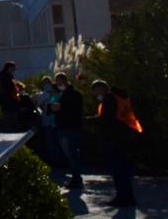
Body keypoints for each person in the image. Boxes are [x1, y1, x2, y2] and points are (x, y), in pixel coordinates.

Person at [91, 79, 141, 207]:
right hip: (122, 136)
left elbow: (107, 119)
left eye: (96, 90)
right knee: (122, 169)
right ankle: (125, 197)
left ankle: (124, 198)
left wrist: (89, 120)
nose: (95, 94)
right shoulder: (118, 98)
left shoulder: (109, 99)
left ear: (102, 89)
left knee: (118, 170)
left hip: (114, 138)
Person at [51, 71, 84, 189]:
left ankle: (76, 178)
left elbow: (73, 111)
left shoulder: (72, 94)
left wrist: (60, 109)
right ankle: (76, 177)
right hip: (64, 126)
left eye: (60, 82)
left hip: (70, 127)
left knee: (72, 153)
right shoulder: (62, 94)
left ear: (65, 81)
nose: (59, 84)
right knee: (70, 154)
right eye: (57, 82)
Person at [34, 75, 62, 164]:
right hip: (47, 121)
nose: (47, 84)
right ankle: (53, 160)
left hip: (57, 121)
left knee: (58, 142)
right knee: (50, 142)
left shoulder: (57, 93)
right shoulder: (42, 95)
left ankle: (59, 160)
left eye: (48, 82)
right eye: (45, 83)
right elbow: (38, 105)